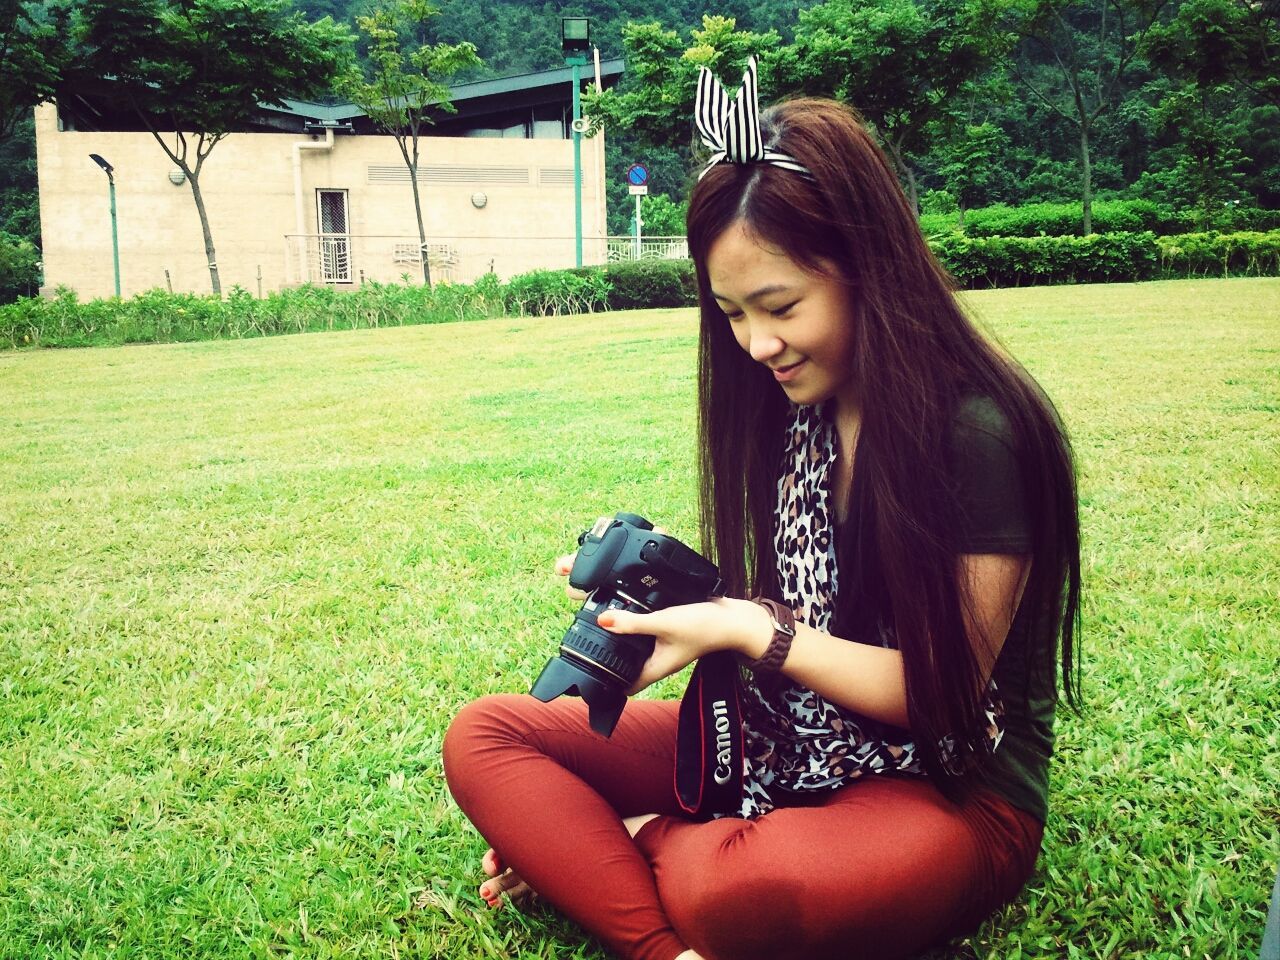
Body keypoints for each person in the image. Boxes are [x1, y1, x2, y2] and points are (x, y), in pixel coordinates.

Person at [443, 58, 1081, 960]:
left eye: (779, 306)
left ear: (869, 265)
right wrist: (682, 609)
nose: (757, 345)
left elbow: (942, 701)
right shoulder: (802, 409)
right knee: (490, 736)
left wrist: (750, 631)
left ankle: (627, 843)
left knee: (740, 891)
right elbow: (784, 608)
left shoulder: (977, 431)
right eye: (732, 313)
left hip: (953, 785)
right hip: (789, 731)